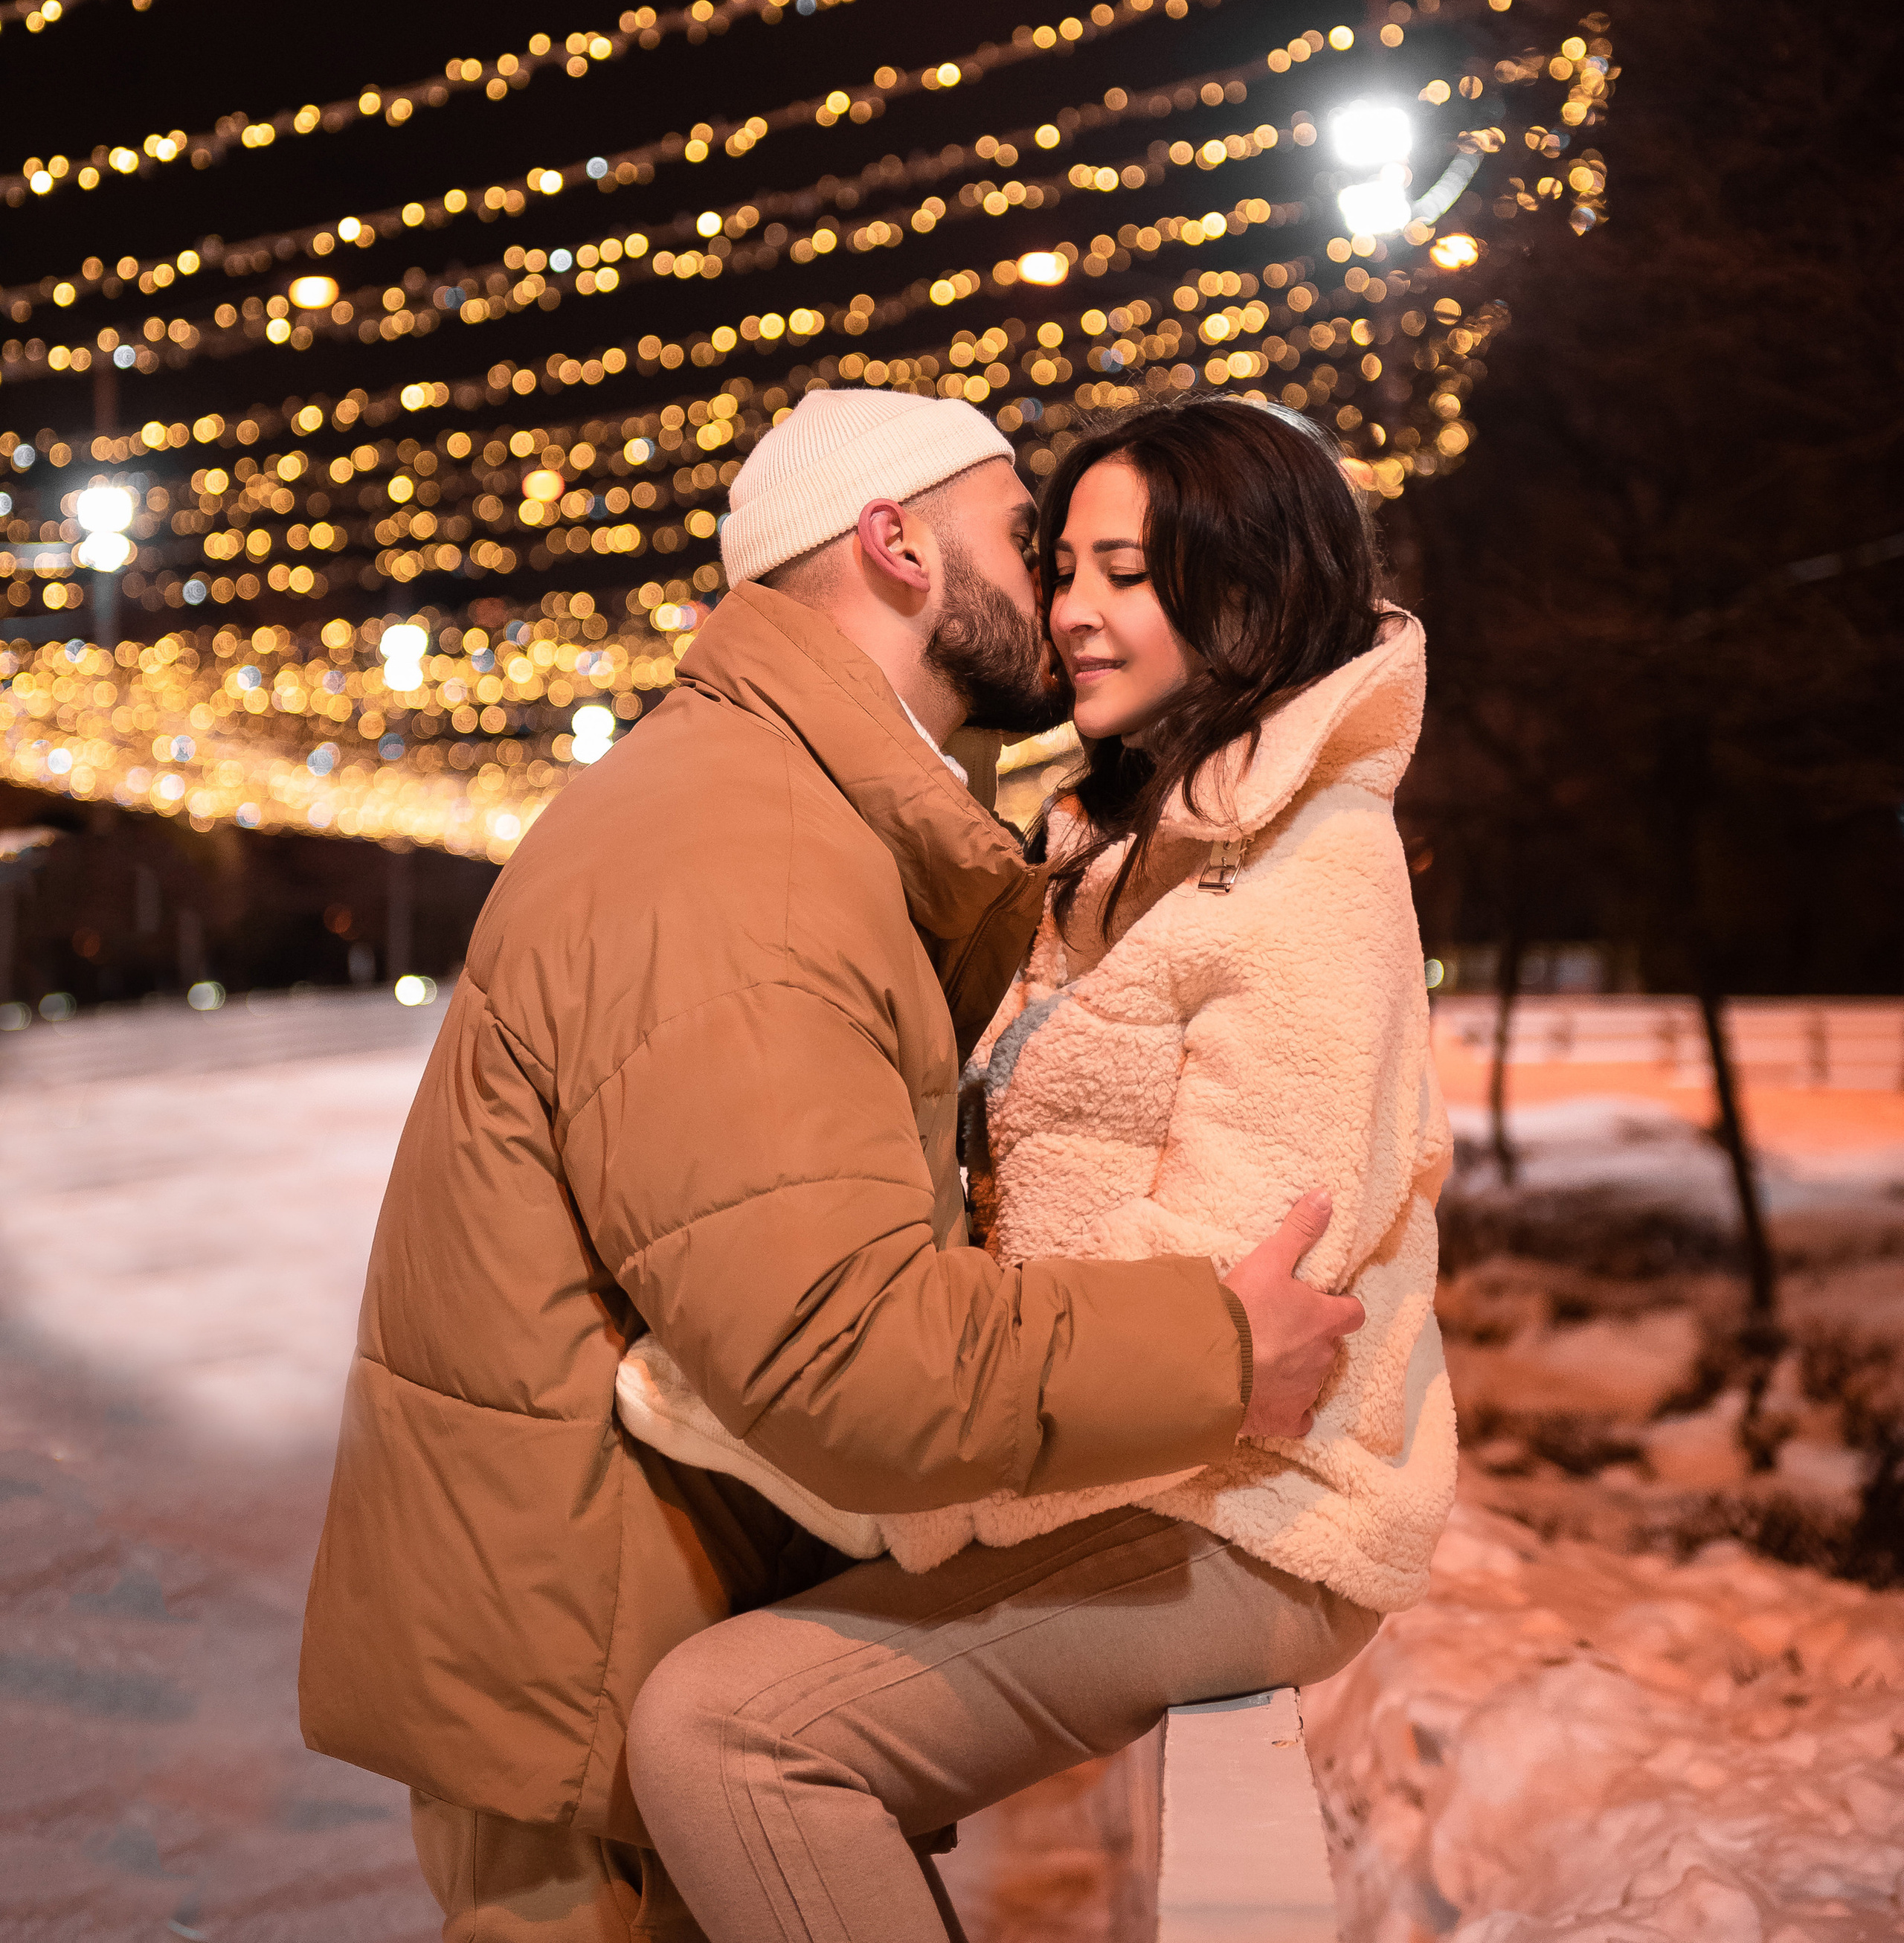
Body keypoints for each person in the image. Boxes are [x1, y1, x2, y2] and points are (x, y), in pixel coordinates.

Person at [299, 386, 1363, 1943]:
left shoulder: (784, 816)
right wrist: (1212, 1349)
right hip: (591, 1716)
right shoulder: (742, 858)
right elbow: (841, 1354)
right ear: (895, 546)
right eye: (1027, 542)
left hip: (614, 1642)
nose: (1062, 601)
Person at [619, 396, 1453, 1942]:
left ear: (1248, 585)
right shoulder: (1118, 848)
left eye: (1123, 570)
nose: (1070, 610)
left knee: (728, 1729)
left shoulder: (1307, 880)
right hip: (1150, 1463)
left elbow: (1246, 1295)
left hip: (1254, 1514)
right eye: (1060, 563)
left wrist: (844, 1449)